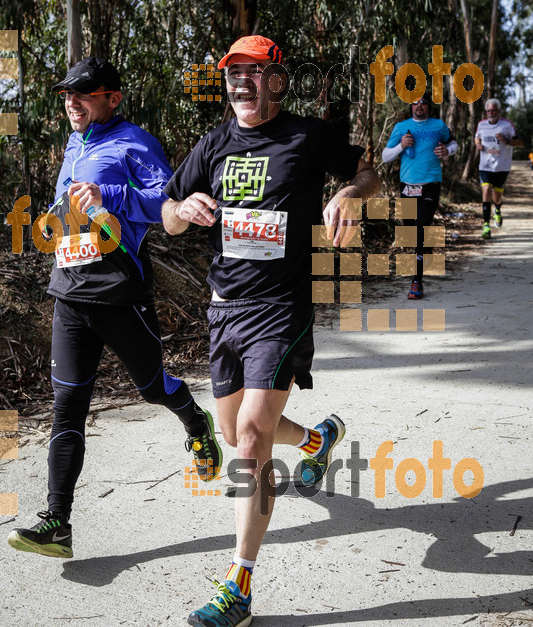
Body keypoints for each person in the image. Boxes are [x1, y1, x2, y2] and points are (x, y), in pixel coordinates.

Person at [162, 35, 381, 627]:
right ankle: (315, 440)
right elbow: (168, 212)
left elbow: (369, 170)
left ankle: (240, 585)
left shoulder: (307, 137)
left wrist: (347, 194)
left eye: (254, 73)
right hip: (223, 308)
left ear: (276, 80)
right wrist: (183, 211)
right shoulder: (213, 143)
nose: (241, 83)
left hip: (282, 306)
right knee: (235, 433)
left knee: (253, 439)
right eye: (233, 73)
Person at [7, 57, 222, 560]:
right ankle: (56, 522)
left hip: (120, 294)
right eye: (66, 95)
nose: (71, 103)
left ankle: (195, 422)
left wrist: (109, 193)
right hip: (69, 296)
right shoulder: (74, 142)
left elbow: (168, 205)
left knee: (151, 388)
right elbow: (78, 209)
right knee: (67, 410)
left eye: (83, 94)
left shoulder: (135, 142)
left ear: (113, 98)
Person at [382, 91, 458, 300]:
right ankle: (427, 248)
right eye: (415, 103)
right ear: (411, 107)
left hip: (430, 185)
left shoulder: (438, 125)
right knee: (409, 230)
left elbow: (454, 144)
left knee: (419, 229)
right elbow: (385, 156)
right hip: (407, 186)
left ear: (428, 107)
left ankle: (417, 282)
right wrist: (401, 146)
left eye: (423, 103)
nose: (419, 106)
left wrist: (447, 151)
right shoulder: (401, 127)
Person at [475, 99, 522, 238]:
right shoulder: (481, 125)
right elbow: (477, 138)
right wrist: (478, 144)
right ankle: (486, 227)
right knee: (486, 191)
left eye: (494, 110)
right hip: (485, 166)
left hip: (502, 167)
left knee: (497, 196)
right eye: (488, 111)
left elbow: (519, 142)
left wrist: (506, 140)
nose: (491, 113)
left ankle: (498, 209)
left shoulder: (507, 125)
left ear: (499, 111)